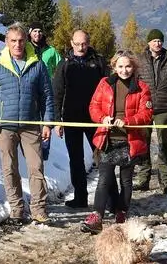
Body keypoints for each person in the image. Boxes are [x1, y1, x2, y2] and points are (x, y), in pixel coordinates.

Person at [0, 23, 55, 223]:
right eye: (13, 41)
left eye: (20, 40)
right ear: (6, 42)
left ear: (26, 40)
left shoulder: (37, 64)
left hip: (31, 125)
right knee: (9, 168)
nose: (17, 45)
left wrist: (48, 123)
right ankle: (16, 209)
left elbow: (47, 97)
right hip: (5, 127)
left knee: (36, 168)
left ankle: (38, 209)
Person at [81, 50, 154, 234]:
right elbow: (93, 106)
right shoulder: (104, 83)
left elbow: (147, 114)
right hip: (108, 139)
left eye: (128, 66)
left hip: (130, 141)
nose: (124, 70)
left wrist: (129, 122)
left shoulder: (142, 87)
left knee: (126, 181)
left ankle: (121, 212)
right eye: (120, 66)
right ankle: (96, 216)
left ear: (134, 67)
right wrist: (102, 118)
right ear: (114, 67)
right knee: (104, 180)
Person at [52, 28, 109, 208]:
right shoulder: (64, 64)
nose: (81, 47)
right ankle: (80, 197)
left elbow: (109, 90)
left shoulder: (99, 62)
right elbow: (57, 93)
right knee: (75, 160)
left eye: (84, 43)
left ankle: (110, 197)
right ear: (71, 43)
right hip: (71, 118)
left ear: (89, 42)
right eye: (77, 44)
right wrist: (57, 120)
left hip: (96, 118)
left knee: (104, 158)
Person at [134, 28, 167, 193]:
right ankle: (143, 179)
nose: (158, 43)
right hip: (144, 110)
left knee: (164, 145)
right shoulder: (139, 61)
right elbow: (134, 84)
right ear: (148, 42)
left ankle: (165, 182)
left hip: (164, 109)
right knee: (143, 144)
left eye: (160, 40)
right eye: (154, 40)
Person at [30, 26, 62, 161]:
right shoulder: (26, 48)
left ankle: (43, 153)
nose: (37, 33)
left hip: (46, 92)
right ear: (30, 32)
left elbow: (61, 68)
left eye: (40, 31)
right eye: (35, 31)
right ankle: (30, 151)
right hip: (30, 90)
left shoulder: (51, 51)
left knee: (46, 122)